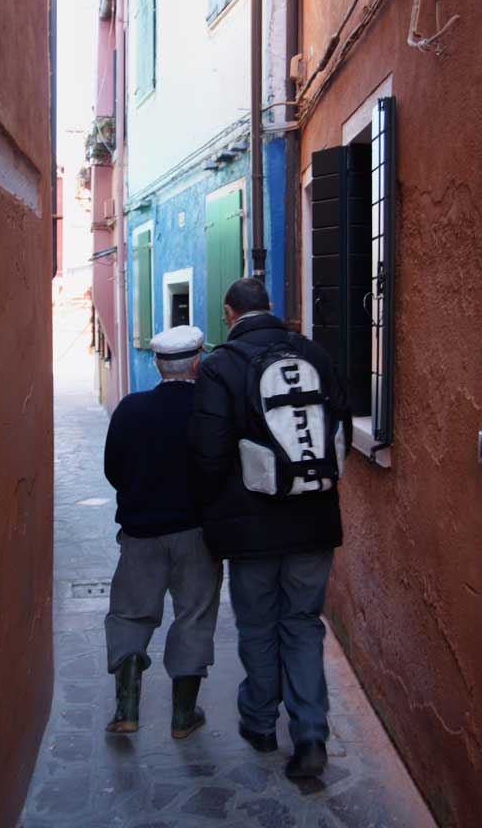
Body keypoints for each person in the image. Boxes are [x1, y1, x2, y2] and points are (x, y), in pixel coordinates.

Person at [189, 278, 352, 779]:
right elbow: (339, 422)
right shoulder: (315, 355)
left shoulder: (220, 365)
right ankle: (309, 735)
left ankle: (260, 723)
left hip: (251, 529)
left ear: (228, 312)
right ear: (272, 309)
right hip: (314, 518)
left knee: (258, 624)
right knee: (303, 623)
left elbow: (209, 454)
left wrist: (212, 510)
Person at [103, 325, 222, 739]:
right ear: (197, 362)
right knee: (194, 616)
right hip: (196, 532)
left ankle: (127, 709)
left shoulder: (130, 410)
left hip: (140, 533)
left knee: (129, 614)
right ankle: (183, 716)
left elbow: (112, 470)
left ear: (157, 363)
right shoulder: (209, 410)